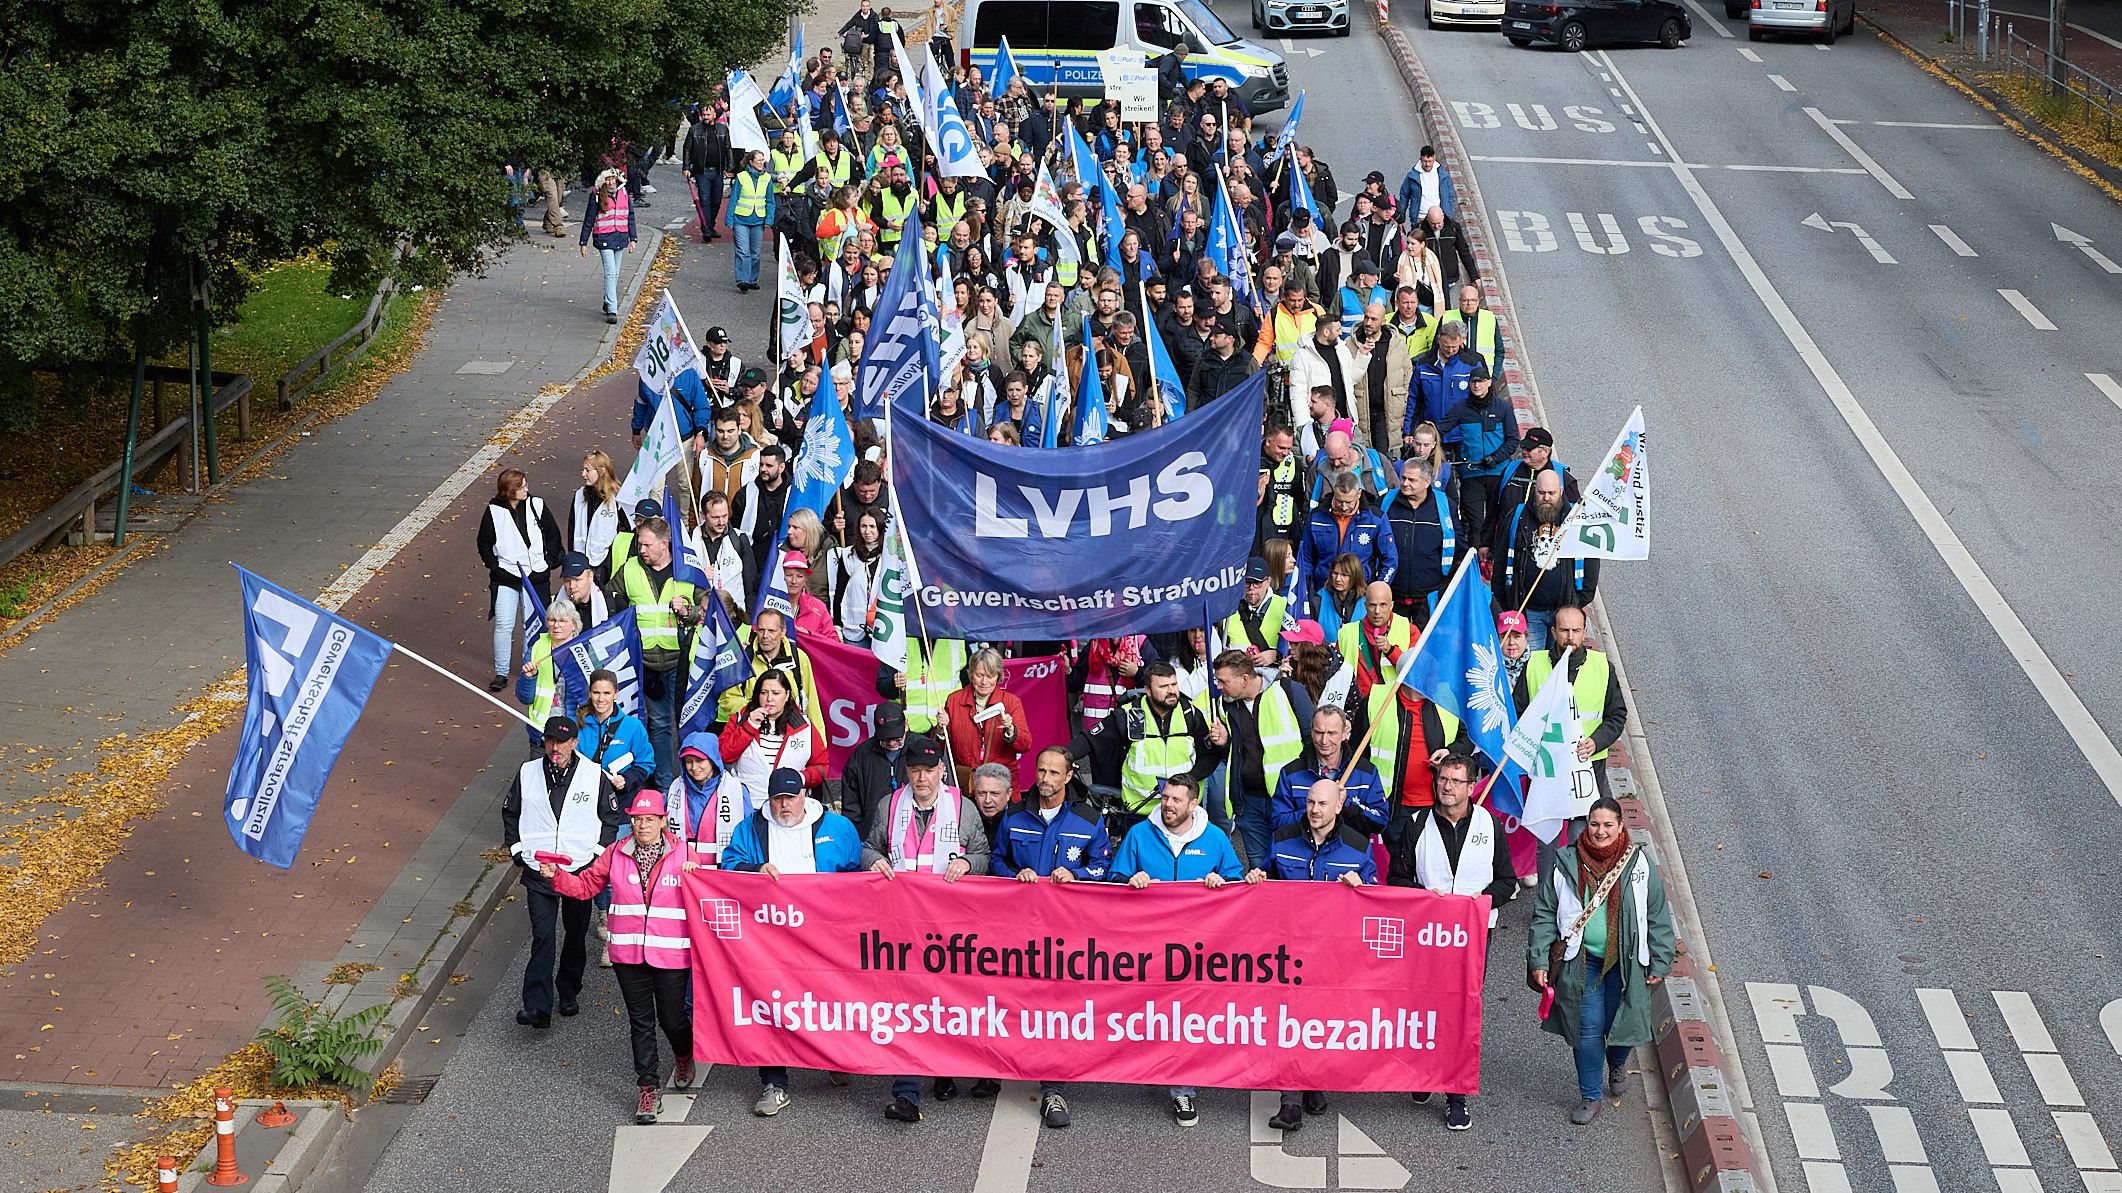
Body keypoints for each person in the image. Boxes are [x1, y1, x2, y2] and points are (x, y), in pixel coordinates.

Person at [860, 734, 992, 1123]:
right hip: (902, 925)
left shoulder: (962, 807)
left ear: (941, 771)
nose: (922, 778)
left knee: (944, 1002)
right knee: (908, 1007)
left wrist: (968, 863)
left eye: (929, 771)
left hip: (949, 927)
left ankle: (944, 1069)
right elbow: (869, 847)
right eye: (915, 770)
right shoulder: (890, 805)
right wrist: (873, 861)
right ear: (907, 771)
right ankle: (906, 1093)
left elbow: (984, 854)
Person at [720, 767, 866, 1116]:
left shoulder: (837, 827)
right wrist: (755, 870)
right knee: (770, 1005)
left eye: (791, 797)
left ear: (805, 795)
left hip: (825, 935)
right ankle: (775, 1082)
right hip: (771, 935)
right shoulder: (751, 828)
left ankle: (834, 1057)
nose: (784, 805)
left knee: (829, 1000)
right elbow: (729, 863)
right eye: (778, 799)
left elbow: (856, 874)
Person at [1107, 773, 1250, 1129]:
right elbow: (1113, 879)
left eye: (1175, 800)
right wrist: (1129, 880)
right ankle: (1129, 1065)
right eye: (1165, 797)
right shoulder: (1140, 834)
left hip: (1197, 950)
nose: (1167, 805)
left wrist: (1222, 883)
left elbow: (1236, 882)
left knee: (1183, 1018)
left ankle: (1182, 1089)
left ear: (1193, 805)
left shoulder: (1215, 838)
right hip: (1144, 945)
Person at [543, 789, 693, 1124]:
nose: (642, 826)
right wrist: (558, 878)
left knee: (672, 1019)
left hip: (670, 954)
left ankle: (684, 1053)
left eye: (649, 820)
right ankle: (648, 1088)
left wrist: (697, 872)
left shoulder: (684, 852)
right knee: (640, 1022)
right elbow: (585, 887)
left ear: (663, 821)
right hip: (627, 954)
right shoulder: (616, 852)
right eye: (637, 819)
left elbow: (704, 893)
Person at [1527, 796, 1675, 1126]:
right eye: (1594, 824)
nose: (1600, 831)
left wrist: (1661, 960)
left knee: (1619, 1025)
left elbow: (1658, 916)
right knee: (1588, 1027)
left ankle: (1618, 1061)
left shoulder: (1639, 865)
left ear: (1621, 826)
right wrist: (1538, 957)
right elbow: (1545, 914)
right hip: (1581, 962)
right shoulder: (1565, 862)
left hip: (1627, 963)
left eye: (1608, 825)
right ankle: (1590, 1094)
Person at [1387, 753, 1514, 1130]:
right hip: (1427, 935)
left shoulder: (1491, 826)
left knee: (1462, 1011)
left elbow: (1507, 881)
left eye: (1456, 781)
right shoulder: (1414, 825)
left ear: (1471, 787)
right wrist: (1426, 897)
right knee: (1423, 1007)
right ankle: (1426, 1074)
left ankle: (1456, 1095)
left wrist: (1483, 900)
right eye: (1443, 779)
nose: (1447, 787)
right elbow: (1397, 878)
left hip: (1472, 935)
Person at [1251, 777, 1373, 1133]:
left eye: (1322, 804)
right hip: (1288, 950)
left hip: (1334, 952)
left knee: (1321, 1022)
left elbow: (1378, 896)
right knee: (1289, 1021)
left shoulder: (1358, 845)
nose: (1315, 810)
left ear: (1339, 805)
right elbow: (1268, 881)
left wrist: (1362, 888)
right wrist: (1258, 877)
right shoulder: (1284, 838)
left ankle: (1315, 1081)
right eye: (1310, 803)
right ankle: (1289, 1103)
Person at [503, 716, 623, 1030]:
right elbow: (510, 812)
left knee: (575, 933)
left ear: (574, 743)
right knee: (543, 937)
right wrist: (518, 852)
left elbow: (610, 819)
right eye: (550, 741)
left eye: (562, 742)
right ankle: (537, 1006)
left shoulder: (594, 775)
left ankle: (568, 990)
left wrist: (595, 857)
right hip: (538, 872)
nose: (555, 747)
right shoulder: (527, 772)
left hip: (578, 871)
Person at [1071, 661, 1218, 840]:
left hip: (1183, 810)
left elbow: (1210, 755)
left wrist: (1191, 778)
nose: (1171, 691)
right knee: (1141, 865)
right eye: (1163, 686)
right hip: (1140, 811)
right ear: (1147, 690)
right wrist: (1061, 756)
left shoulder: (1190, 713)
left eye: (1174, 684)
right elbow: (1090, 739)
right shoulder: (1128, 715)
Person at [605, 516, 696, 788]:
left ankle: (688, 779)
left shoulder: (685, 569)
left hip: (680, 663)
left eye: (646, 544)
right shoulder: (630, 568)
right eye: (639, 544)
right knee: (659, 724)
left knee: (684, 721)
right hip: (647, 663)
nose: (641, 549)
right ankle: (667, 785)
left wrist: (687, 611)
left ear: (664, 544)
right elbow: (610, 597)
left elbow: (705, 609)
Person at [1205, 649, 1315, 869]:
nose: (1219, 687)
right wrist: (1224, 742)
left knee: (1290, 865)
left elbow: (1312, 740)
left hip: (1287, 800)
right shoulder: (1226, 704)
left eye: (1224, 681)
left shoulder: (1289, 690)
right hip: (1249, 801)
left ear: (1245, 678)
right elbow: (1233, 753)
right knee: (1258, 867)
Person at [1517, 605, 1629, 819]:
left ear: (1584, 632)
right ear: (1553, 632)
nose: (1570, 637)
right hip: (1545, 766)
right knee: (1545, 837)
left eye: (1576, 631)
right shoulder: (1533, 664)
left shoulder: (1603, 667)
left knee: (1582, 831)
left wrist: (1596, 741)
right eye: (1564, 630)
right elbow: (1518, 712)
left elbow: (1617, 715)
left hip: (1586, 764)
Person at [477, 467, 563, 691]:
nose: (527, 489)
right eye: (521, 486)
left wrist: (550, 560)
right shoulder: (494, 511)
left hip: (536, 576)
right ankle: (501, 672)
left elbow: (553, 534)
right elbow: (483, 543)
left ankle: (530, 666)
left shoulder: (537, 504)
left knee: (534, 625)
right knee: (504, 625)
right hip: (507, 577)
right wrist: (495, 567)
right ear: (509, 491)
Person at [1496, 471, 1599, 649]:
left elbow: (1591, 562)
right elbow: (1501, 559)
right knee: (1533, 666)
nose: (1546, 498)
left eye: (1551, 493)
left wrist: (1579, 602)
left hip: (1565, 614)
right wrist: (1507, 603)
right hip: (1528, 611)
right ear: (1535, 490)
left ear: (1560, 491)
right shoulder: (1517, 518)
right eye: (1542, 493)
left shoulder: (1576, 520)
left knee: (1559, 667)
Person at [1271, 705, 1391, 838]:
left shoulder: (1366, 772)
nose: (1324, 740)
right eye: (1319, 732)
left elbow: (1380, 821)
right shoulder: (1291, 773)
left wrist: (1347, 804)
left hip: (1350, 855)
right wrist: (1315, 811)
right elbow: (1277, 821)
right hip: (1304, 854)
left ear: (1344, 732)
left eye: (1331, 733)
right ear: (1311, 731)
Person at [1438, 364, 1517, 551]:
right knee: (1473, 519)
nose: (1477, 385)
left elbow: (1513, 440)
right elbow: (1439, 429)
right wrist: (1422, 438)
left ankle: (1489, 555)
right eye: (1473, 382)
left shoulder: (1503, 409)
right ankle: (1473, 555)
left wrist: (1496, 458)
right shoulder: (1461, 409)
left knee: (1495, 516)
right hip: (1471, 473)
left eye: (1481, 381)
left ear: (1489, 382)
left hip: (1498, 472)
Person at [719, 669, 826, 796]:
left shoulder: (804, 725)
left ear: (787, 695)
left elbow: (821, 766)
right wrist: (749, 727)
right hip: (747, 804)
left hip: (789, 805)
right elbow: (723, 755)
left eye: (776, 693)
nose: (769, 699)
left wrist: (801, 778)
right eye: (764, 693)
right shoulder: (739, 719)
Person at [939, 648, 1030, 790]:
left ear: (998, 676)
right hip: (965, 785)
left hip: (1000, 785)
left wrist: (1011, 731)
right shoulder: (954, 700)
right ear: (970, 674)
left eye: (990, 676)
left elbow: (1025, 745)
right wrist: (940, 729)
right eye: (979, 675)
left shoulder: (1011, 702)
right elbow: (941, 748)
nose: (984, 681)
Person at [1297, 472, 1396, 600]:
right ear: (1334, 492)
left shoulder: (1375, 518)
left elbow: (1390, 559)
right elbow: (1305, 557)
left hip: (1361, 595)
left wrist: (1378, 590)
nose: (1344, 507)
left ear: (1359, 494)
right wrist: (1307, 592)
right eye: (1339, 501)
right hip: (1323, 592)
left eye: (1349, 502)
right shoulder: (1316, 517)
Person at [1382, 458, 1453, 627]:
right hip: (1393, 594)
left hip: (1429, 597)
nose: (1405, 483)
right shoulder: (1387, 502)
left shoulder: (1444, 505)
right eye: (1403, 478)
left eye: (1411, 480)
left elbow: (1459, 545)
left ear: (1427, 482)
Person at [719, 608, 825, 721]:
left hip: (789, 731)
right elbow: (727, 699)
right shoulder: (742, 657)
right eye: (761, 630)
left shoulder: (799, 658)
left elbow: (812, 705)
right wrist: (759, 708)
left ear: (783, 632)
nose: (765, 635)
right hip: (752, 729)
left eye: (771, 631)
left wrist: (818, 737)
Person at [669, 732, 755, 866]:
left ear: (712, 759)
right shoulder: (674, 790)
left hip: (722, 872)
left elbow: (749, 833)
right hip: (682, 870)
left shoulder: (737, 790)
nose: (694, 767)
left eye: (699, 761)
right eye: (689, 762)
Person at [578, 168, 637, 323]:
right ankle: (612, 309)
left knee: (616, 274)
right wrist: (583, 242)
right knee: (610, 273)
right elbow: (589, 219)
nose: (610, 182)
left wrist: (633, 238)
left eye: (613, 179)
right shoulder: (597, 195)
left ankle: (607, 300)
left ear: (617, 179)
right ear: (603, 180)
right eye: (607, 179)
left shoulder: (623, 193)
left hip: (620, 237)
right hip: (604, 237)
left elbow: (630, 216)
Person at [840, 700, 910, 830]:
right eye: (886, 739)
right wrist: (858, 833)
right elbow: (851, 804)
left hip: (912, 834)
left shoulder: (920, 748)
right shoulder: (861, 755)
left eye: (898, 738)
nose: (892, 743)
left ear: (906, 725)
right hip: (872, 836)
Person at [1218, 556, 1288, 673]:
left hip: (1276, 678)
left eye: (1257, 583)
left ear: (1268, 582)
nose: (1251, 588)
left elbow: (1299, 649)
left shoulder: (1285, 607)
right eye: (1247, 583)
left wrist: (1276, 655)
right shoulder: (1229, 611)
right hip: (1239, 679)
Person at [569, 451, 627, 582]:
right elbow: (572, 529)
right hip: (581, 562)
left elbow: (626, 530)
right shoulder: (579, 495)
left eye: (587, 470)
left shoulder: (617, 498)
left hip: (606, 565)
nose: (583, 474)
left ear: (601, 471)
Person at [1257, 424, 1310, 550]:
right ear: (1269, 441)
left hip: (1282, 530)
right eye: (1281, 448)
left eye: (1289, 449)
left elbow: (1298, 497)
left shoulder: (1294, 463)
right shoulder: (1250, 457)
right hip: (1256, 527)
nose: (1285, 453)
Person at [729, 150, 776, 292]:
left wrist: (769, 219)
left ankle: (752, 279)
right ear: (751, 162)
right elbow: (734, 198)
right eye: (759, 160)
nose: (762, 162)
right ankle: (743, 280)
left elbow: (770, 201)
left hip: (758, 220)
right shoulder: (741, 177)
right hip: (741, 219)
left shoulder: (767, 178)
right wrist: (729, 219)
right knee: (743, 251)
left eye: (763, 160)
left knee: (755, 253)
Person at [1397, 146, 1456, 228]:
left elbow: (1450, 194)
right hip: (1420, 218)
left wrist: (1447, 211)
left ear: (1434, 158)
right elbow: (1404, 196)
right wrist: (1401, 217)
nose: (1427, 164)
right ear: (1420, 159)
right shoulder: (1412, 176)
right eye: (1425, 161)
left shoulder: (1443, 175)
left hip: (1439, 219)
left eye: (1429, 161)